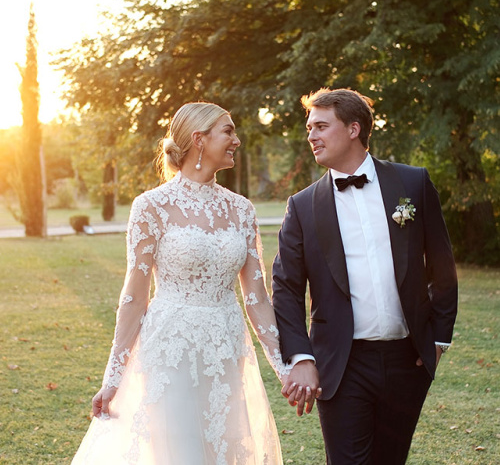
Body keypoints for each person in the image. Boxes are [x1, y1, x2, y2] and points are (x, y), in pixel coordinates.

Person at [72, 102, 289, 464]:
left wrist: (283, 367)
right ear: (199, 139)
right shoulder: (151, 207)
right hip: (171, 348)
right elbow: (134, 297)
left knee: (224, 449)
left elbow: (257, 297)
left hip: (226, 348)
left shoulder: (241, 210)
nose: (237, 140)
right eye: (228, 131)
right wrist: (113, 376)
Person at [272, 88, 458, 464]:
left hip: (409, 360)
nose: (311, 136)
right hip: (342, 362)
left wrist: (439, 339)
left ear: (354, 128)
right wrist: (302, 357)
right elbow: (286, 288)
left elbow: (442, 265)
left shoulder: (413, 185)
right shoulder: (303, 206)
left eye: (321, 126)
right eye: (309, 128)